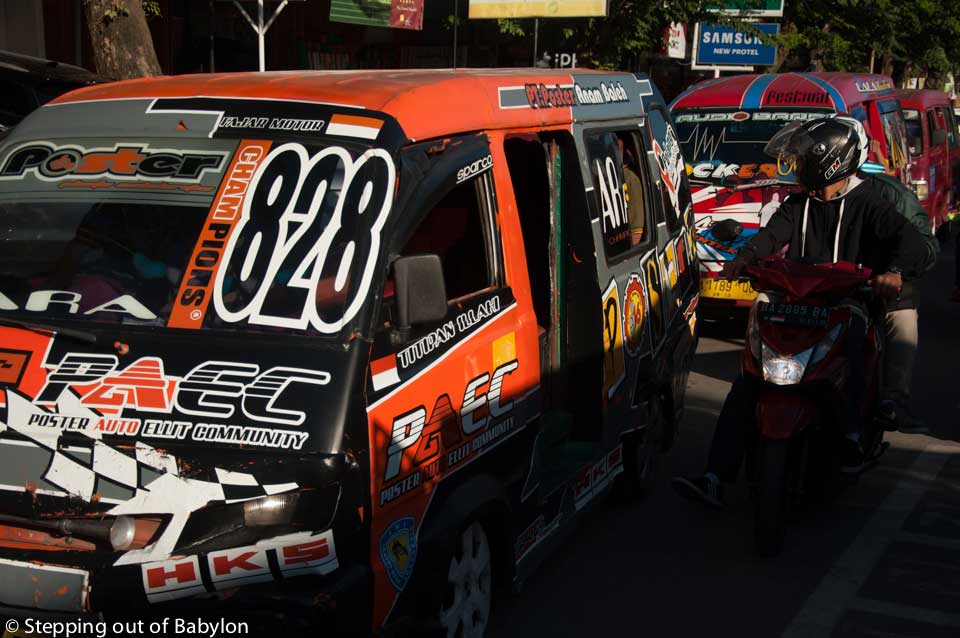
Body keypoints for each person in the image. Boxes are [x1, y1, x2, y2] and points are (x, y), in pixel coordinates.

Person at [672, 115, 930, 508]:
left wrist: (893, 272)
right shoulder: (798, 203)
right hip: (797, 304)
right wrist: (743, 259)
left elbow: (908, 241)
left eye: (808, 156)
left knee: (857, 341)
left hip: (847, 303)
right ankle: (715, 476)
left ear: (832, 160)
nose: (799, 163)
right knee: (750, 379)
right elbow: (770, 237)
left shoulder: (870, 201)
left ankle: (853, 435)